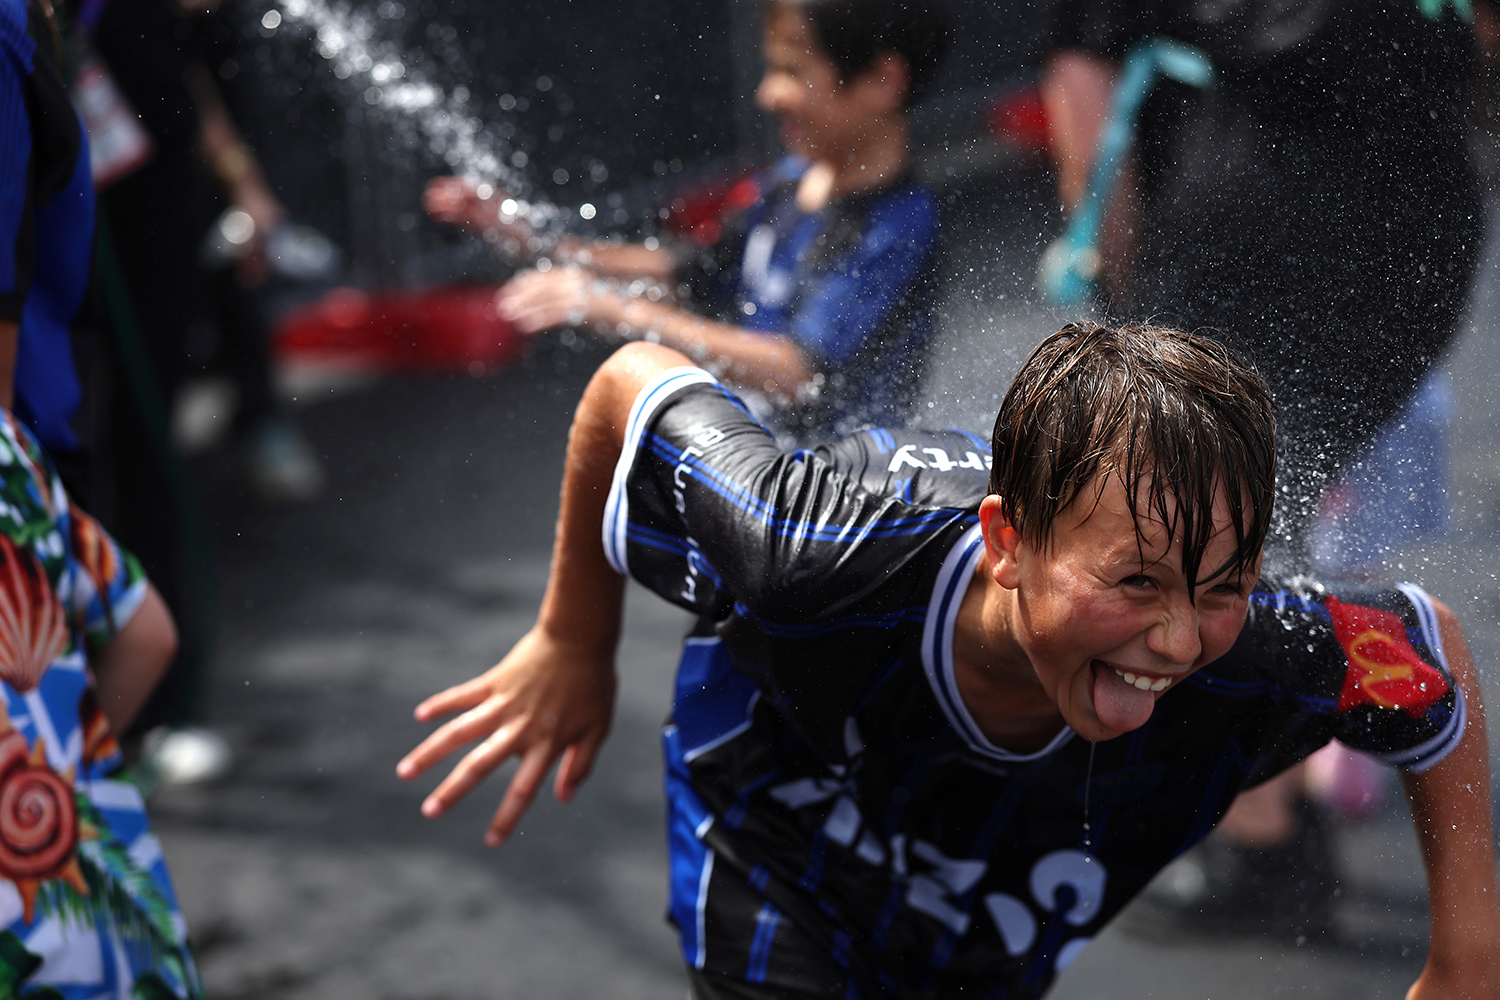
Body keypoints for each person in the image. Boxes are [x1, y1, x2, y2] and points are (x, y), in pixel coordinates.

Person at [398, 323, 1498, 999]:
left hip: (980, 911)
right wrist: (572, 639)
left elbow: (1426, 652)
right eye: (1135, 583)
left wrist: (1468, 959)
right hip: (777, 831)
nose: (1175, 639)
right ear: (1007, 542)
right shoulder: (821, 547)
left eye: (1220, 585)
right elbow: (628, 383)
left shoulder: (1249, 645)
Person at [425, 0, 949, 441]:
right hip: (763, 463)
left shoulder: (898, 224)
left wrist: (614, 310)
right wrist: (532, 241)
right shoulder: (787, 184)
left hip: (838, 506)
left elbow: (796, 371)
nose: (767, 94)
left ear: (882, 79)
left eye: (793, 71)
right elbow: (681, 270)